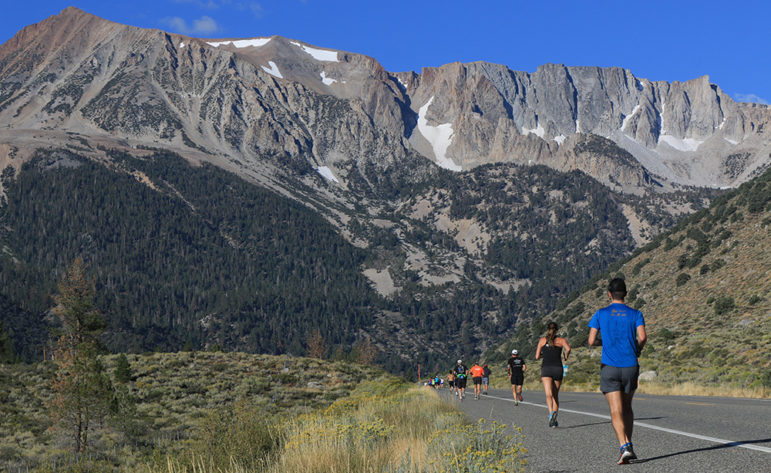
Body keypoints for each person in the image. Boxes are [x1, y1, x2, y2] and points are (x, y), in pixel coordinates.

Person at [588, 278, 646, 465]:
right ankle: (628, 445)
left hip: (610, 366)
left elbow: (591, 340)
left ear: (609, 294)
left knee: (615, 410)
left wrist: (605, 343)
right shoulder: (636, 313)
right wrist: (636, 349)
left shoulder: (600, 314)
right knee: (627, 407)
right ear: (626, 294)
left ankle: (624, 446)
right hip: (630, 366)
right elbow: (643, 337)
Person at [535, 322, 570, 428]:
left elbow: (536, 357)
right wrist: (565, 356)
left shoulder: (542, 340)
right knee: (555, 395)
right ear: (557, 330)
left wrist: (544, 355)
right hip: (558, 369)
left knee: (548, 395)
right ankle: (554, 418)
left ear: (547, 329)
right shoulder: (561, 340)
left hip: (546, 369)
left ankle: (551, 415)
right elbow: (568, 349)